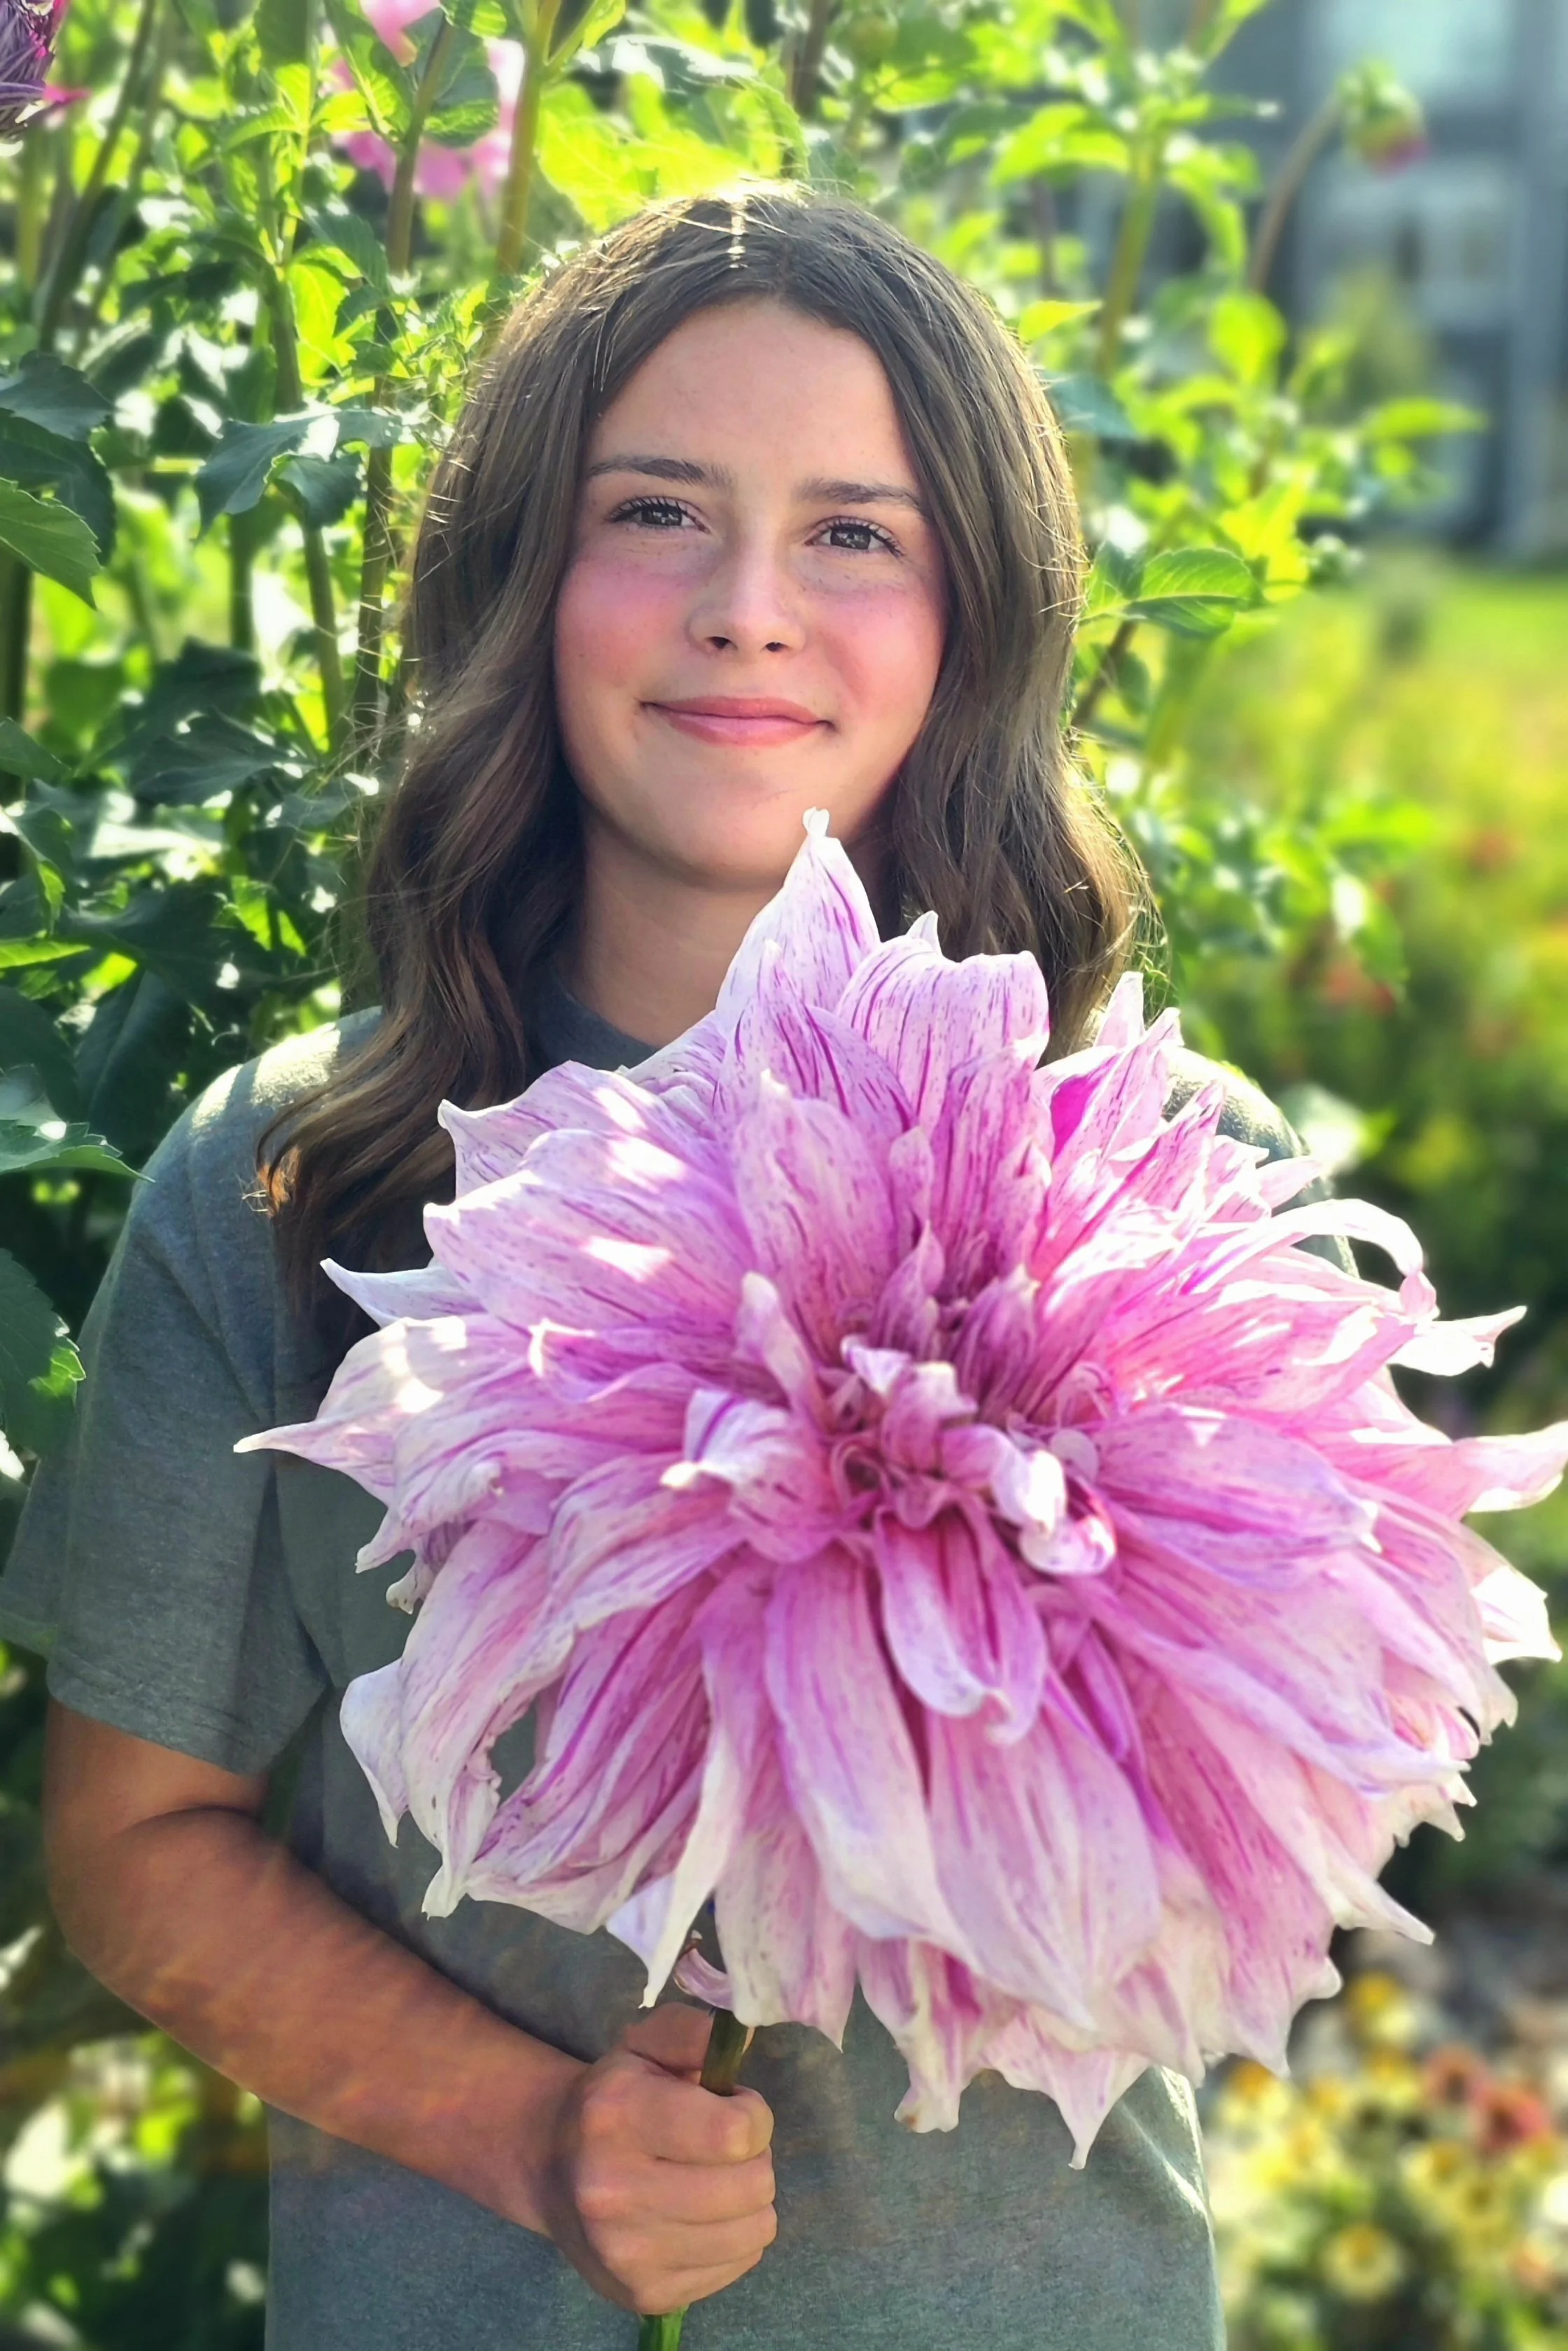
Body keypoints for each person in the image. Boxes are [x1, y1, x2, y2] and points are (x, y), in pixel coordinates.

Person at [0, 184, 1319, 2349]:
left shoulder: (1173, 1178)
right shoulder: (286, 1183)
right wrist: (519, 2128)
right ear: (523, 581)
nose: (749, 609)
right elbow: (133, 1834)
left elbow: (1266, 1827)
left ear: (976, 612)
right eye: (656, 512)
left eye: (857, 533)